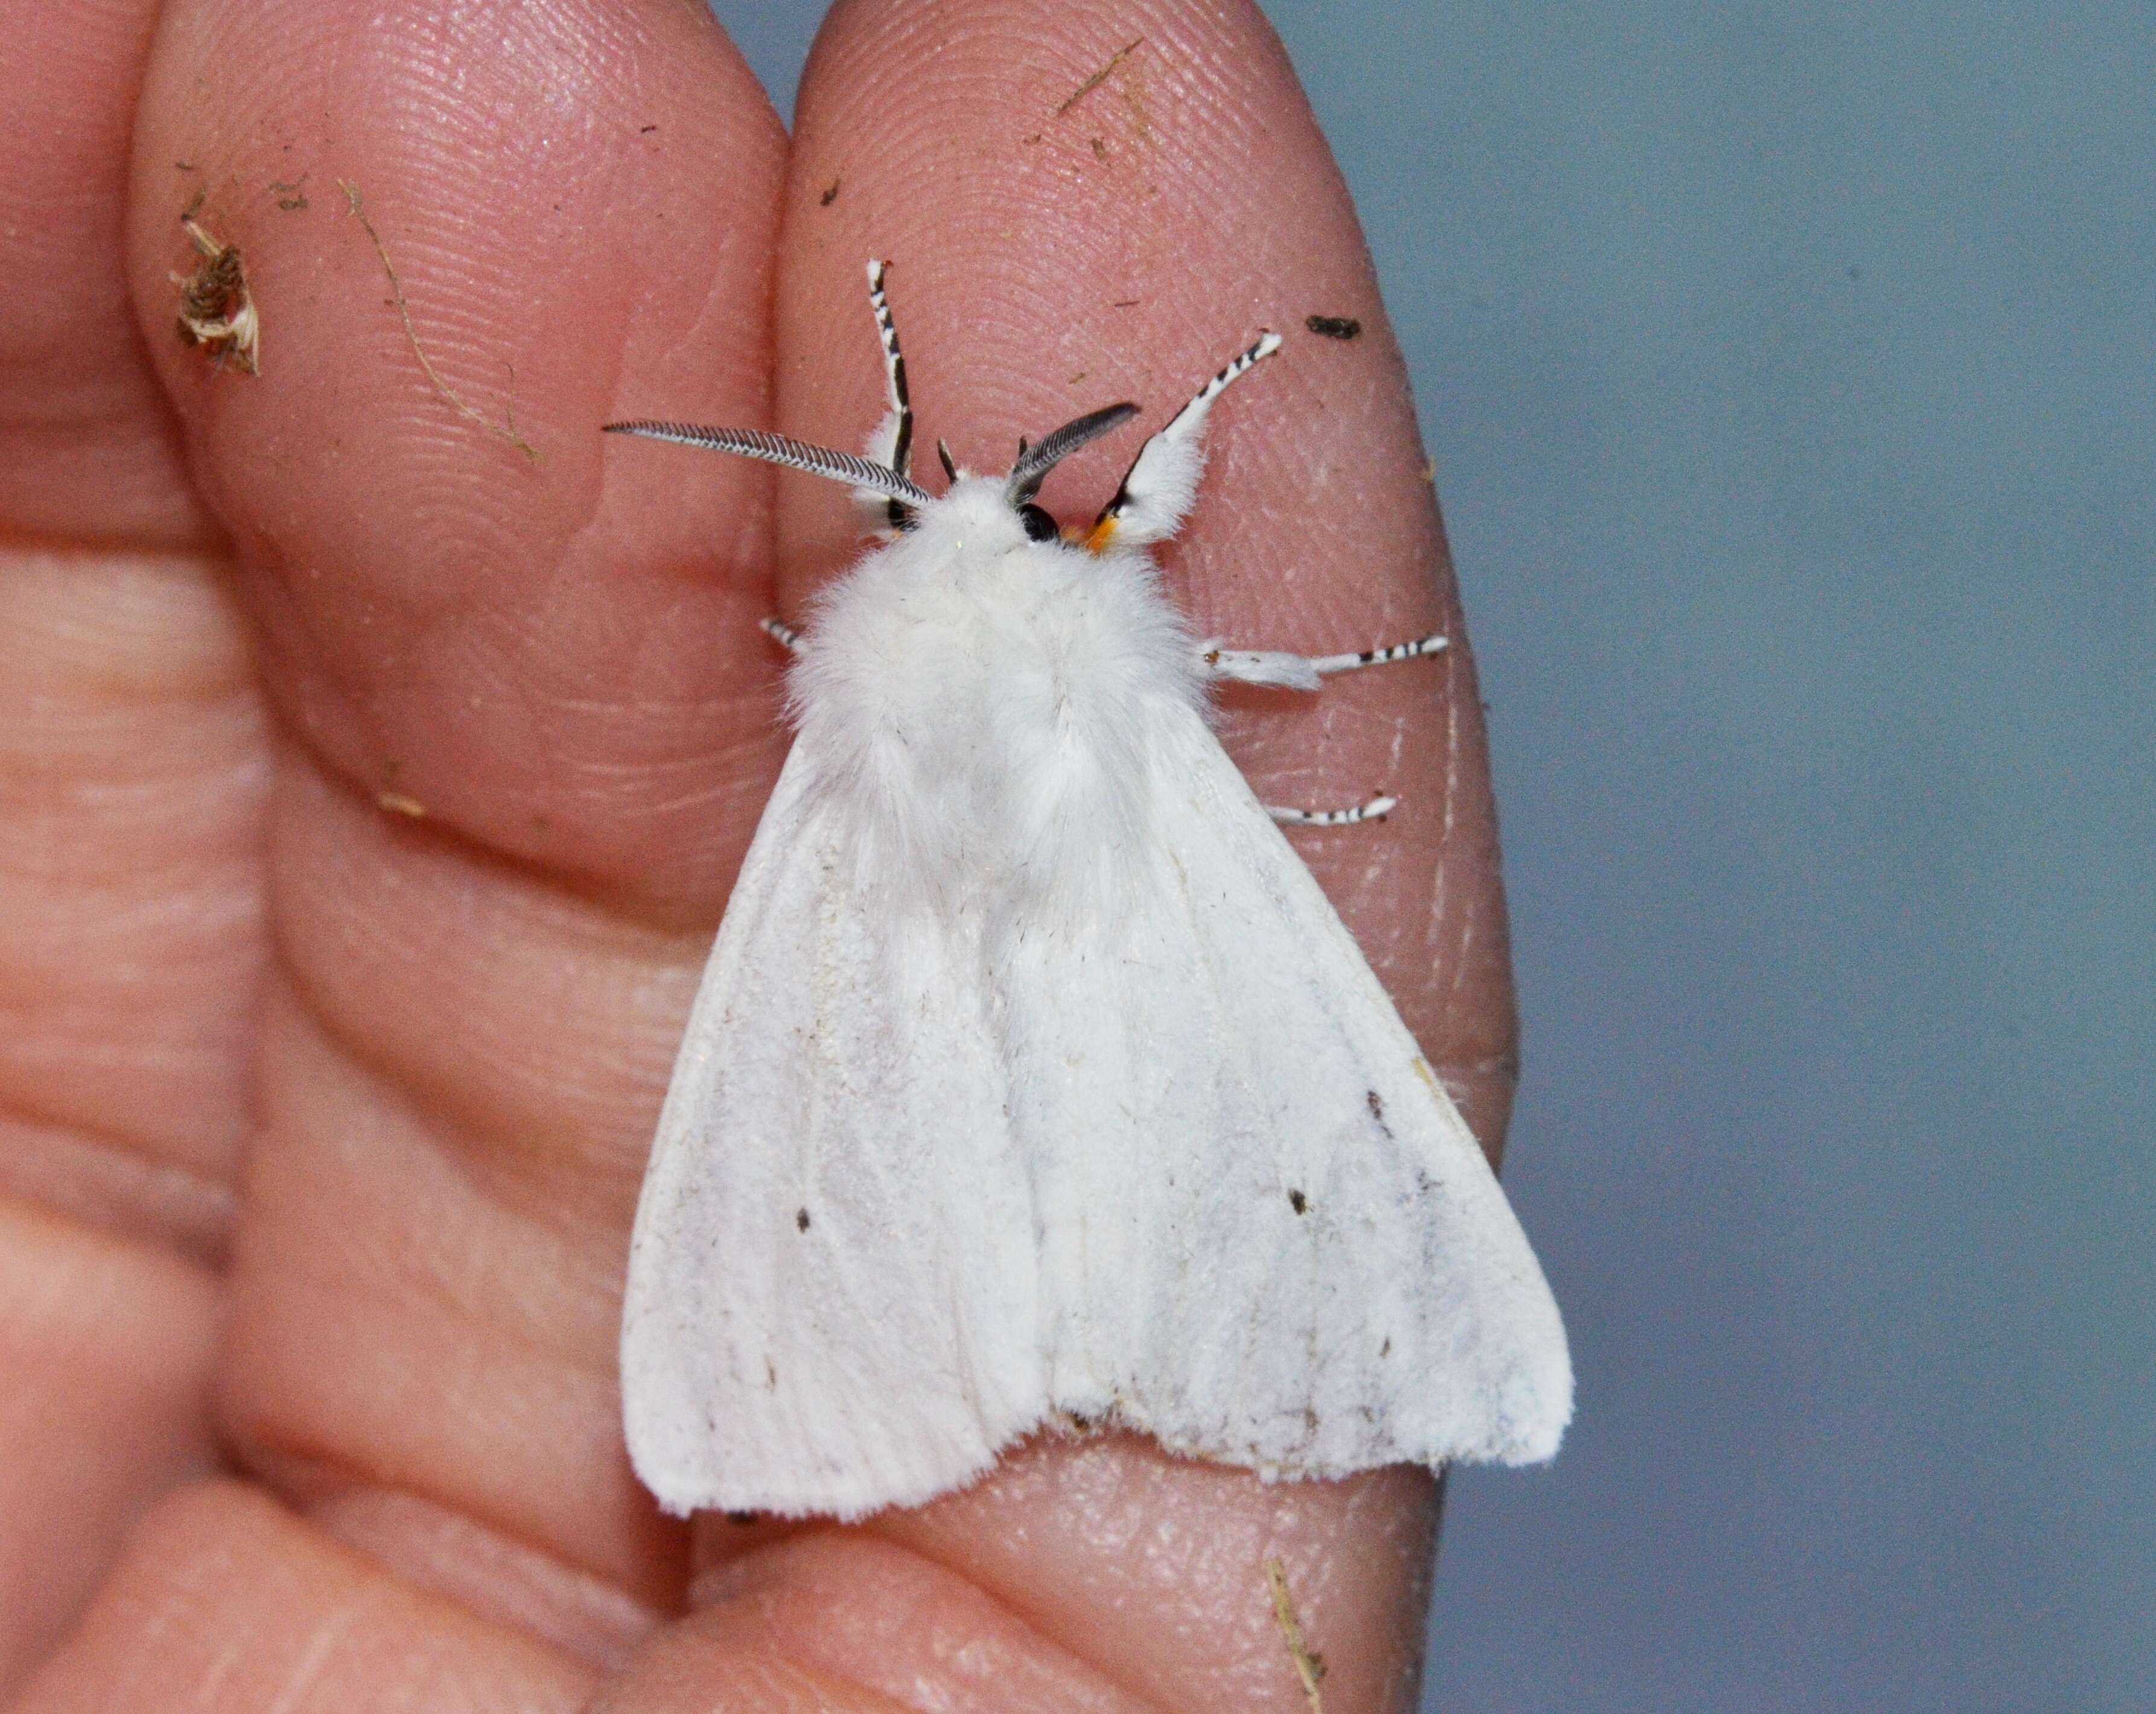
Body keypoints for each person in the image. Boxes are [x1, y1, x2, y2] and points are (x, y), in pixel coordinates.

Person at [0, 1, 1528, 1707]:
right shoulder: (1111, 629)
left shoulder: (857, 701)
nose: (982, 508)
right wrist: (1229, 406)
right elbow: (1178, 589)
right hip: (1196, 927)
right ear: (1068, 534)